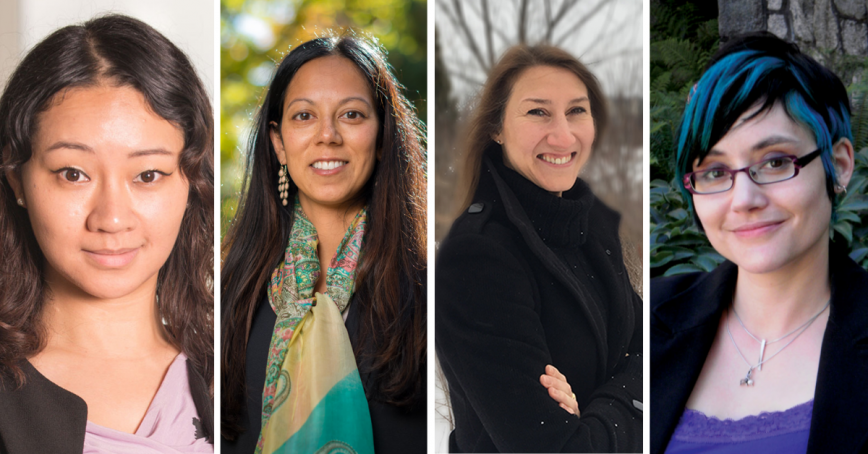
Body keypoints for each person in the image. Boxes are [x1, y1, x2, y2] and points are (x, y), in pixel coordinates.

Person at [0, 14, 214, 454]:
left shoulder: (232, 365)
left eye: (148, 174)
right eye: (73, 174)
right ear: (16, 179)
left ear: (191, 181)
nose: (112, 219)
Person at [651, 32, 868, 453]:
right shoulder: (642, 323)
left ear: (839, 166)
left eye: (774, 162)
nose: (744, 199)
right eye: (714, 171)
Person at [220, 34, 426, 454]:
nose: (327, 135)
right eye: (303, 117)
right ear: (278, 143)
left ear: (383, 136)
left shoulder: (428, 290)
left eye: (351, 115)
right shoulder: (229, 290)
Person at [435, 44, 643, 453]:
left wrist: (595, 408)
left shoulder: (593, 222)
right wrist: (632, 397)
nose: (563, 135)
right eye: (538, 112)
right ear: (496, 127)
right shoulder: (477, 259)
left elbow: (652, 349)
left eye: (577, 111)